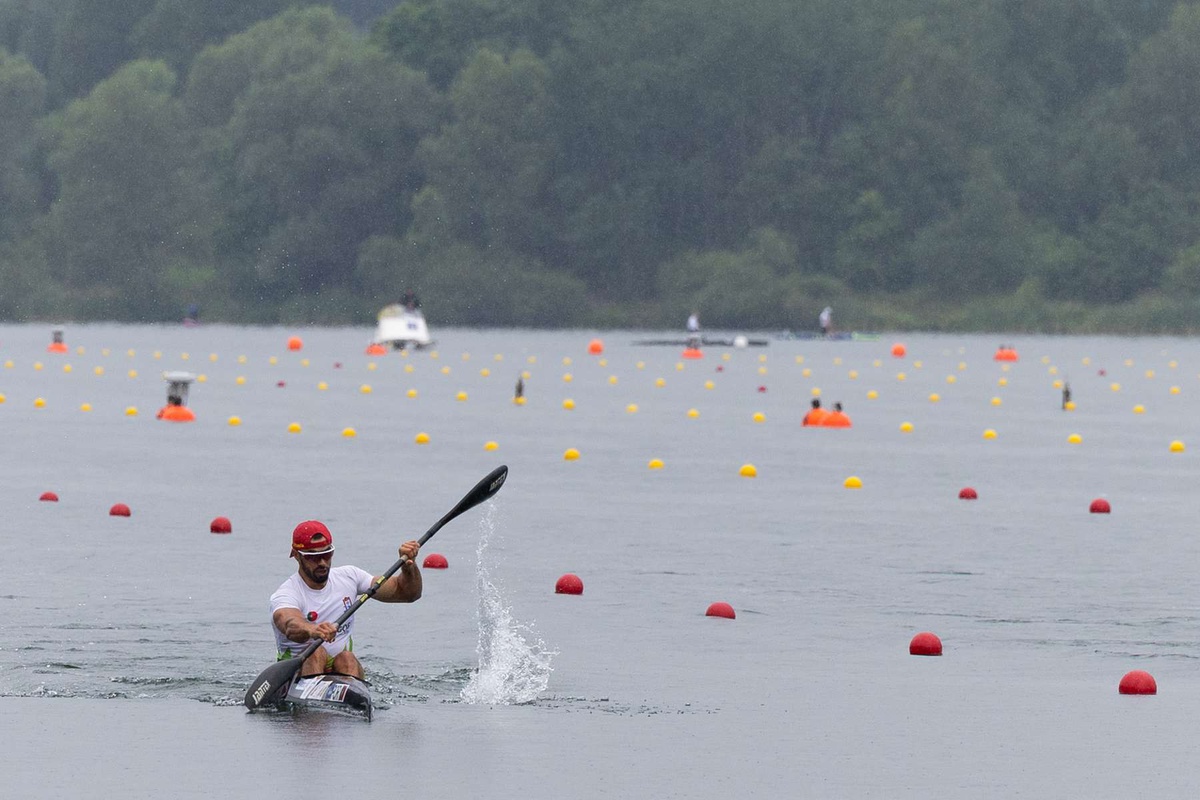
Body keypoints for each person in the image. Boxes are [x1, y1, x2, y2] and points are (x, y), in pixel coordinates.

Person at [270, 520, 422, 679]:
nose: (322, 562)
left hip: (340, 669)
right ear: (296, 555)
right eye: (314, 557)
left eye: (327, 554)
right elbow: (288, 623)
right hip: (298, 671)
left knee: (347, 658)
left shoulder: (350, 576)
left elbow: (409, 594)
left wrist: (408, 567)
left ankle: (355, 697)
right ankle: (311, 698)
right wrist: (312, 630)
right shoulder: (287, 594)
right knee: (316, 652)